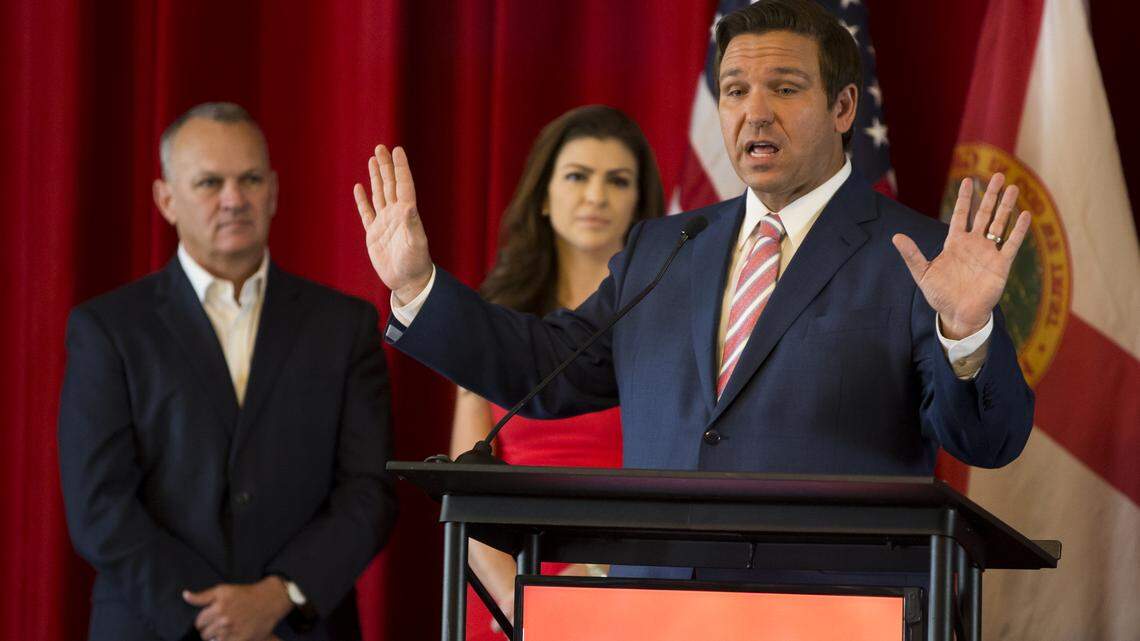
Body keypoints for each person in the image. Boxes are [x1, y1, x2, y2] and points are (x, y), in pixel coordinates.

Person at [353, 0, 1034, 584]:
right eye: (735, 90)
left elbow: (987, 437)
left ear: (844, 105)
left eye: (786, 88)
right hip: (654, 604)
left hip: (832, 609)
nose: (754, 112)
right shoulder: (664, 248)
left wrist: (968, 333)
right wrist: (418, 285)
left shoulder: (916, 257)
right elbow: (547, 367)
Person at [59, 102, 397, 641]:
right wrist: (214, 615)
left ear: (275, 191)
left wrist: (278, 595)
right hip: (154, 625)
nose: (234, 199)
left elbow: (369, 490)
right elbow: (99, 505)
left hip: (302, 626)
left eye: (250, 179)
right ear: (166, 200)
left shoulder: (345, 326)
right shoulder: (108, 329)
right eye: (210, 182)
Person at [447, 105, 664, 637]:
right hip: (506, 600)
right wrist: (524, 604)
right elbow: (463, 488)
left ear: (639, 202)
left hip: (636, 590)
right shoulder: (494, 321)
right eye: (576, 176)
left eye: (617, 180)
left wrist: (595, 581)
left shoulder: (669, 321)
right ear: (543, 195)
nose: (596, 196)